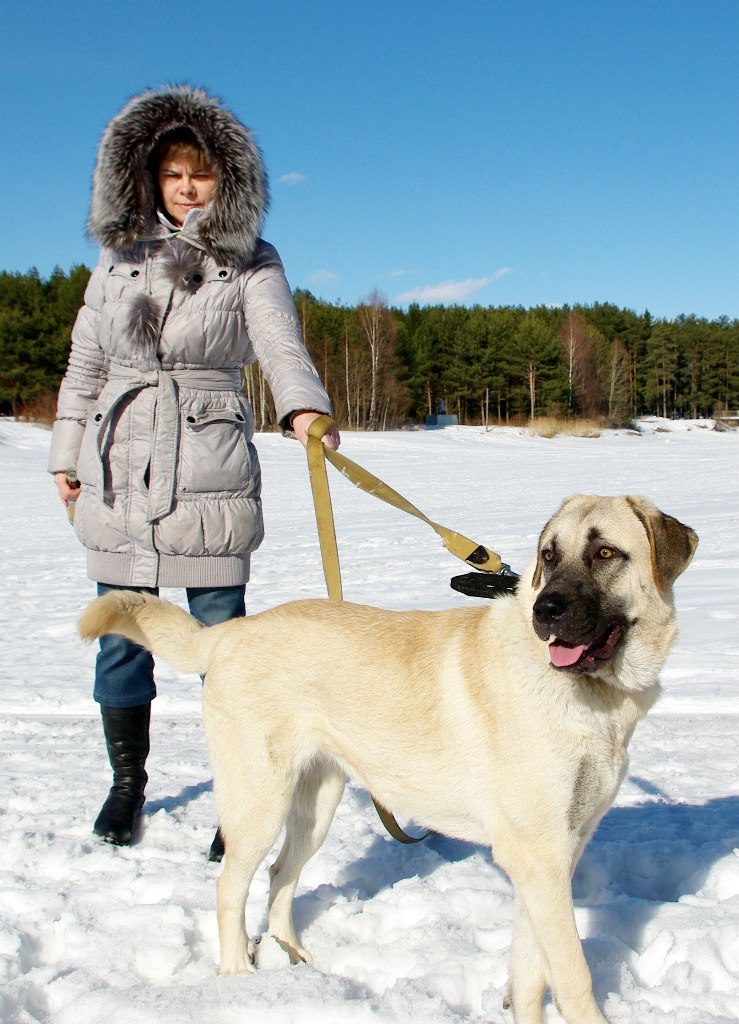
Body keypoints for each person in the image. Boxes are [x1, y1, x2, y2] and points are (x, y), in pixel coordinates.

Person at [48, 85, 340, 859]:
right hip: (120, 463)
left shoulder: (251, 260)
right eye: (173, 174)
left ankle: (239, 792)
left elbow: (278, 342)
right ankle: (127, 783)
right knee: (121, 637)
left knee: (227, 646)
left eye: (200, 175)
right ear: (147, 179)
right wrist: (65, 453)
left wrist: (303, 408)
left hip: (209, 456)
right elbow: (85, 362)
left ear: (225, 183)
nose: (186, 188)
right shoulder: (118, 259)